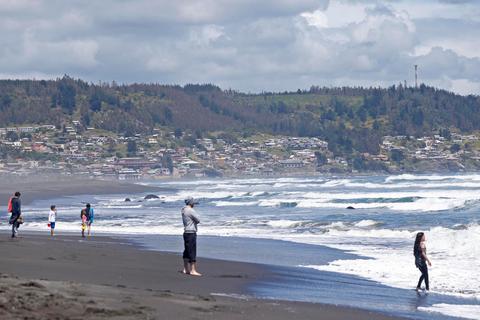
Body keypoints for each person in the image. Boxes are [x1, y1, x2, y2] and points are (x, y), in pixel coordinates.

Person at [181, 197, 201, 276]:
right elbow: (198, 220)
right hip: (191, 232)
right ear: (191, 203)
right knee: (192, 251)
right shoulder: (190, 210)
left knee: (186, 250)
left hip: (186, 232)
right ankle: (193, 270)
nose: (194, 204)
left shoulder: (183, 209)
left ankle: (186, 268)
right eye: (193, 203)